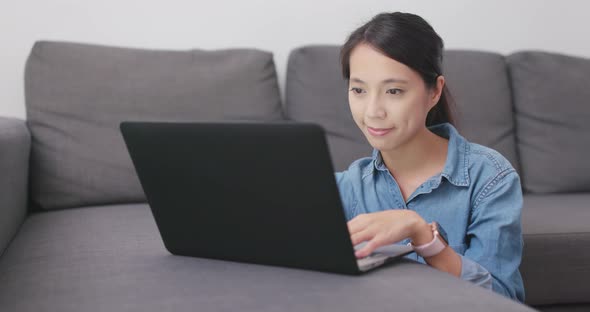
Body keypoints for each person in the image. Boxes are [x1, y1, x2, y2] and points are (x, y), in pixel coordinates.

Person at [335, 12, 525, 302]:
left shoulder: (490, 178)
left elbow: (504, 300)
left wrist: (422, 236)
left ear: (434, 91)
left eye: (394, 91)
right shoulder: (346, 187)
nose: (373, 111)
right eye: (359, 89)